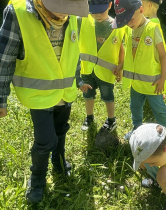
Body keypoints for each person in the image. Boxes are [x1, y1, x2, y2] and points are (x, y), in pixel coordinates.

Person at [0, 0, 90, 204]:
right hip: (38, 95)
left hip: (65, 92)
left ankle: (59, 164)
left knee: (61, 130)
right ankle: (37, 178)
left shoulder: (73, 16)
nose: (65, 15)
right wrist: (1, 97)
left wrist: (78, 79)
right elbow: (4, 59)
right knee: (45, 140)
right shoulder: (19, 13)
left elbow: (73, 51)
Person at [113, 0, 166, 139]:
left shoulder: (152, 28)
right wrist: (120, 66)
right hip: (135, 84)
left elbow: (163, 55)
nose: (128, 23)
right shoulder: (129, 30)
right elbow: (130, 54)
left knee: (159, 111)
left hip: (153, 84)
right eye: (125, 21)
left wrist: (162, 78)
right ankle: (137, 130)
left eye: (130, 19)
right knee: (135, 108)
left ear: (140, 10)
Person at [79, 0, 125, 132]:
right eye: (93, 12)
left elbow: (120, 48)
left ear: (110, 5)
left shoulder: (117, 26)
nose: (97, 15)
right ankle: (89, 117)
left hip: (107, 72)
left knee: (108, 96)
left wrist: (120, 67)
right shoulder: (85, 21)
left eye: (101, 11)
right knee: (88, 95)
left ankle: (111, 120)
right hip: (87, 69)